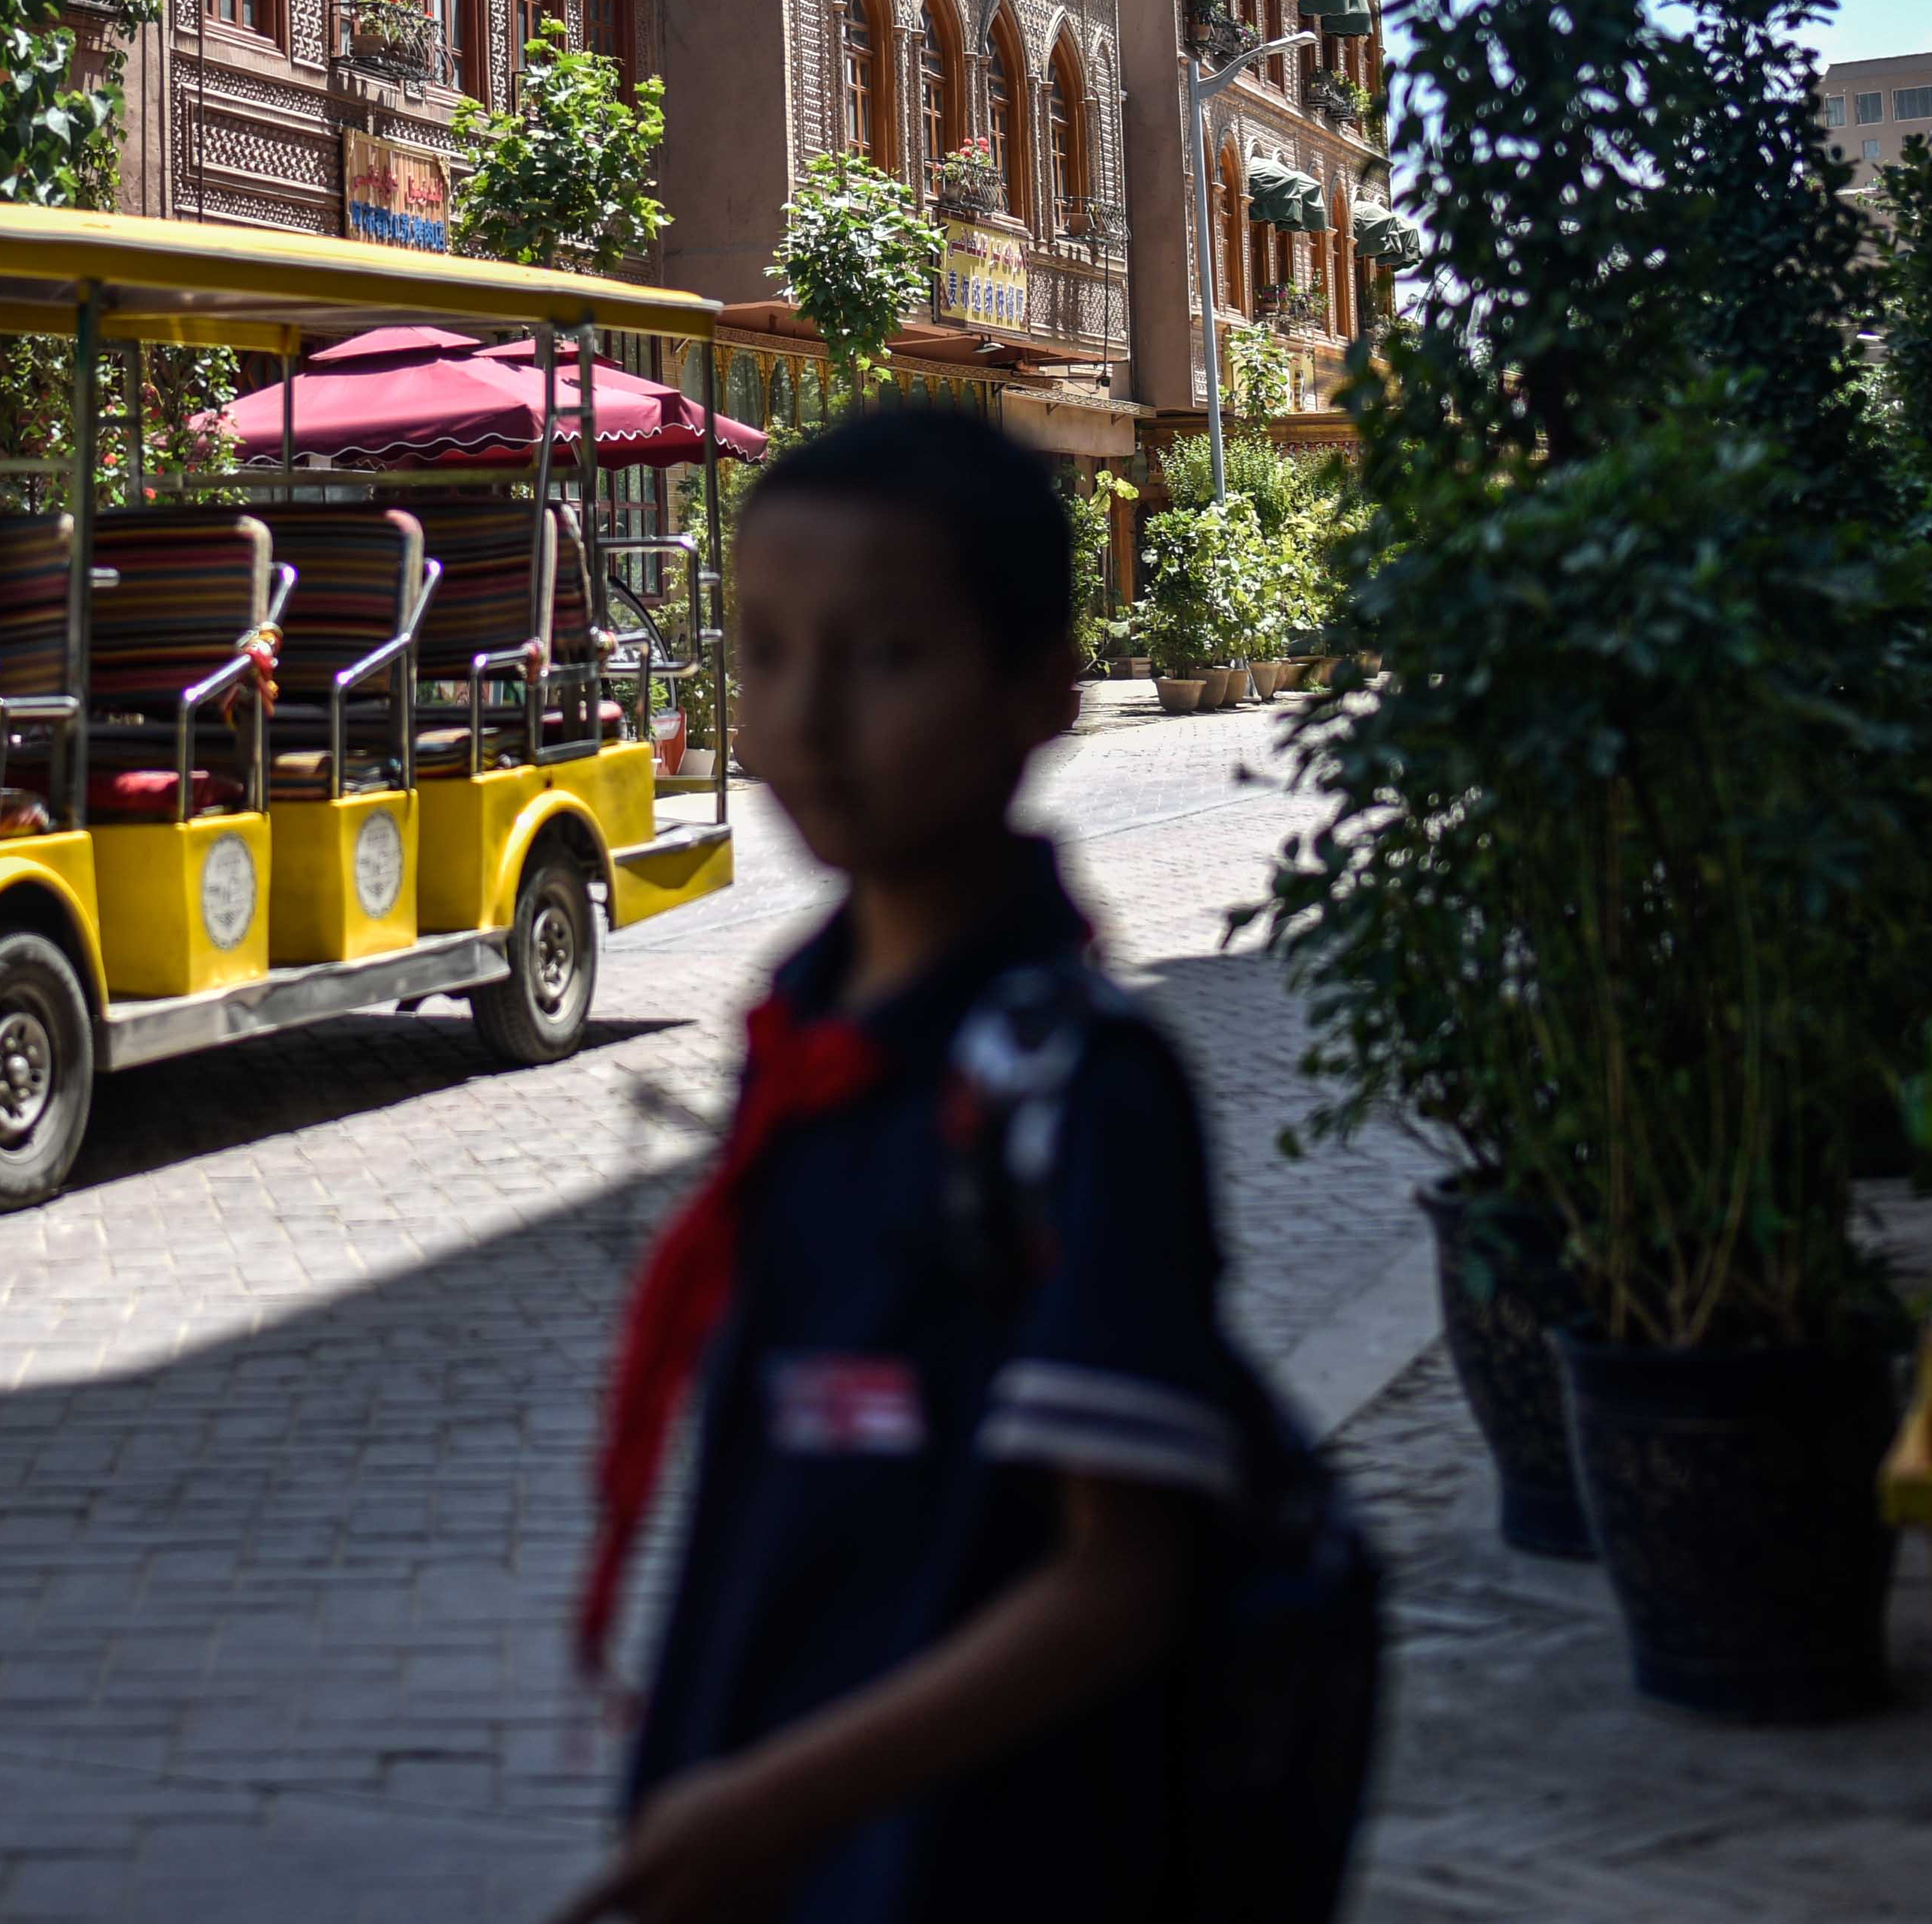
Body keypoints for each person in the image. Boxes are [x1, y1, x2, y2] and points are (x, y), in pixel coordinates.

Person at [557, 403, 1368, 1924]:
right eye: (765, 650)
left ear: (1039, 687)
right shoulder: (805, 1033)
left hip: (986, 1850)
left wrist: (780, 1795)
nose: (802, 717)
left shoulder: (1074, 1088)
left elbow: (1121, 1574)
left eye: (883, 656)